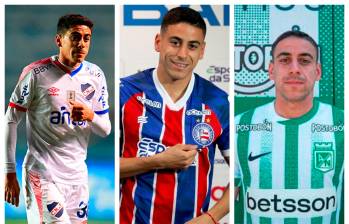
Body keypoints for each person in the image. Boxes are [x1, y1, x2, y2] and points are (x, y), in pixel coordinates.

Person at [120, 7, 230, 224]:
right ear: (158, 42)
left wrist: (211, 218)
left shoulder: (217, 101)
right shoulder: (126, 92)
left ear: (202, 51)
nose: (182, 54)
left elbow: (242, 174)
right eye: (175, 42)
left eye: (192, 46)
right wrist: (158, 161)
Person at [4, 14, 111, 223]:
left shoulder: (95, 75)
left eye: (86, 38)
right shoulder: (36, 73)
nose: (81, 44)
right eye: (75, 37)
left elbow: (105, 129)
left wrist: (90, 116)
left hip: (77, 177)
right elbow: (10, 119)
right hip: (43, 173)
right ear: (59, 40)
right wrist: (9, 172)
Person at [235, 30, 344, 223]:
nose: (294, 69)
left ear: (317, 72)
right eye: (285, 60)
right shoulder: (240, 126)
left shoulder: (342, 125)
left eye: (304, 60)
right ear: (271, 70)